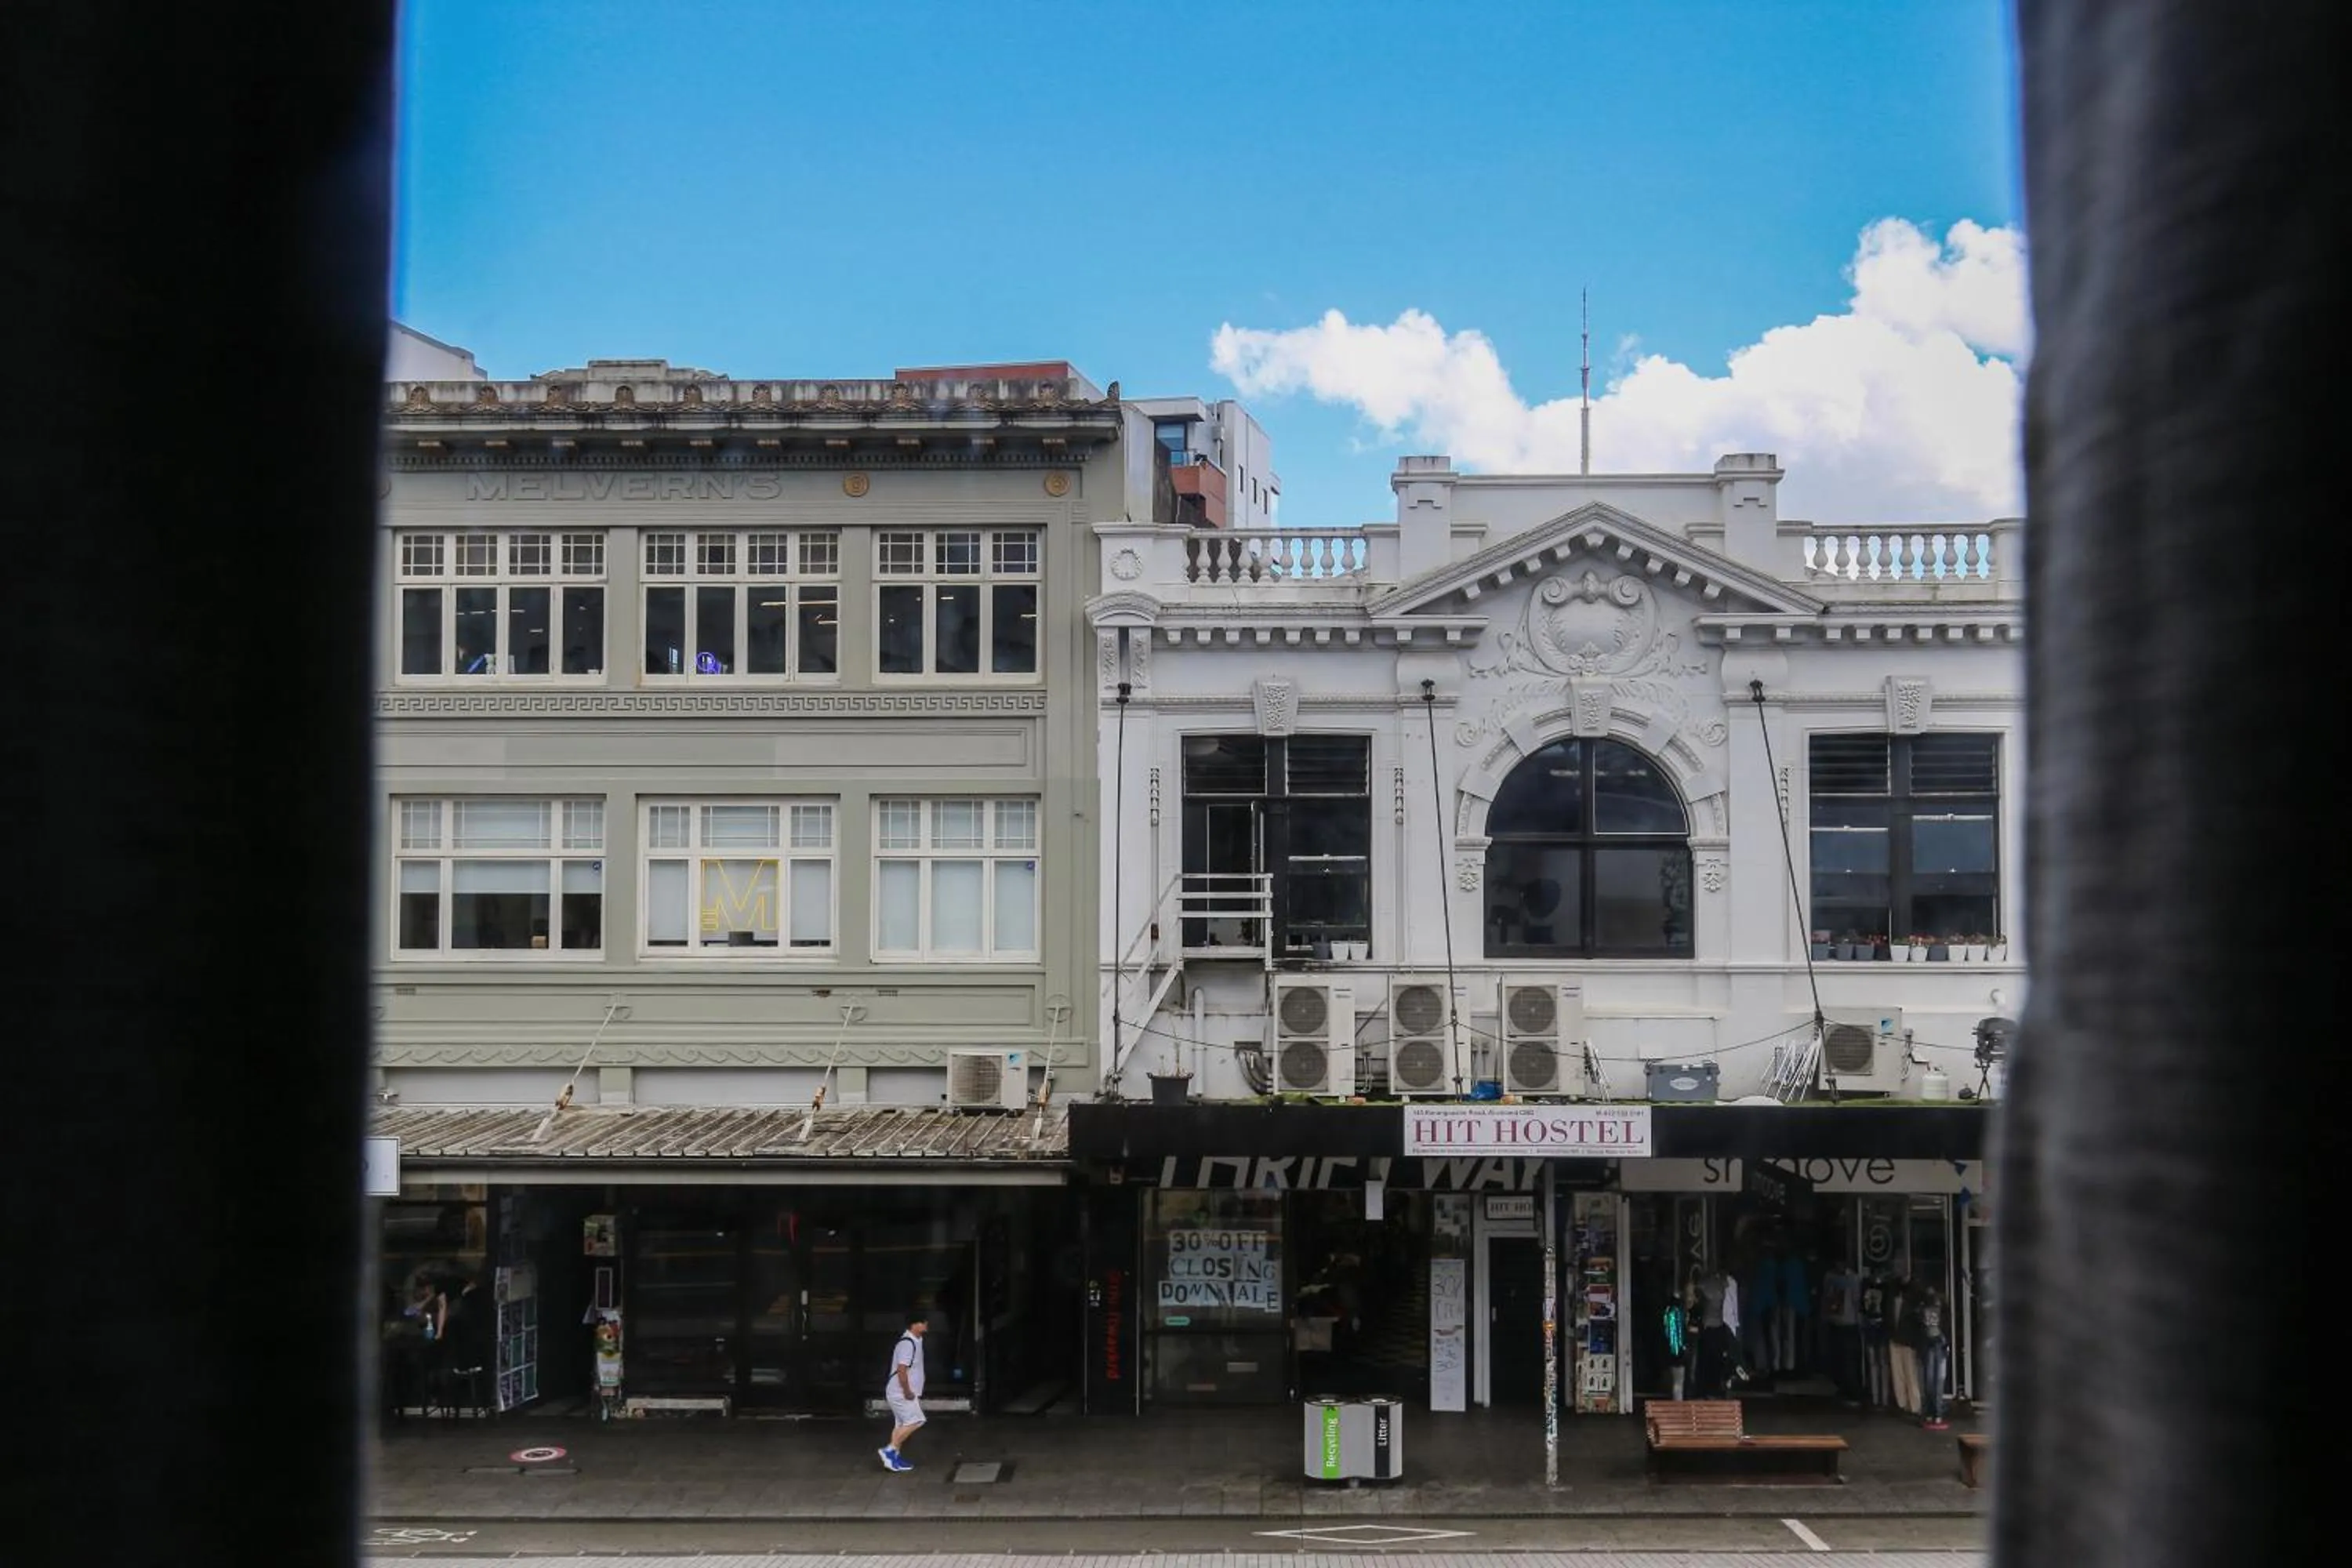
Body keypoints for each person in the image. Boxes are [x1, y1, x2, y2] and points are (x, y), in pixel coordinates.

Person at [877, 1310, 929, 1473]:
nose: (927, 1325)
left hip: (901, 1392)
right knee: (916, 1420)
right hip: (900, 1392)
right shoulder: (907, 1344)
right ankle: (890, 1450)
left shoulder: (916, 1340)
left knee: (901, 1424)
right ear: (915, 1325)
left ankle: (893, 1460)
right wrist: (907, 1391)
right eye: (924, 1322)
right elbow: (902, 1370)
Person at [1915, 1283, 1951, 1431]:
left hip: (1938, 1345)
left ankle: (1937, 1413)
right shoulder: (1923, 1309)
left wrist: (1946, 1343)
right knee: (1930, 1380)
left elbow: (1946, 1327)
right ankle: (1932, 1413)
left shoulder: (1943, 1310)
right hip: (1930, 1345)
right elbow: (1920, 1325)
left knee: (1937, 1381)